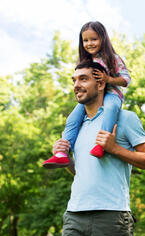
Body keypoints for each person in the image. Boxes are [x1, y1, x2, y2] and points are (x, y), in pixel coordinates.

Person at [53, 60, 145, 236]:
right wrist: (65, 157)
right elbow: (81, 171)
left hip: (111, 218)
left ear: (100, 82)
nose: (76, 85)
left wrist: (114, 148)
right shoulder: (76, 125)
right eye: (74, 80)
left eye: (83, 79)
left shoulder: (124, 119)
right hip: (75, 220)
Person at [43, 21, 131, 168]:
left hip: (111, 93)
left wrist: (108, 79)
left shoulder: (112, 58)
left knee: (110, 109)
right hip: (92, 97)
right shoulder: (85, 61)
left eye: (94, 39)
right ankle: (62, 152)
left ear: (103, 39)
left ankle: (101, 145)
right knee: (73, 118)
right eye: (85, 40)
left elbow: (126, 79)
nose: (89, 43)